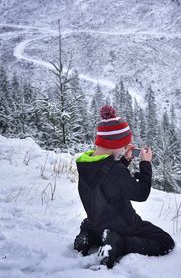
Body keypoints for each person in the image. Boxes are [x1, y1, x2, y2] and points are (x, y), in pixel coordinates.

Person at [74, 105, 175, 268]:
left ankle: (89, 235)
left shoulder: (87, 164)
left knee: (91, 223)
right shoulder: (116, 171)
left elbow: (104, 179)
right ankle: (119, 243)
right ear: (115, 144)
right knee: (165, 241)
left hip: (98, 222)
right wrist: (145, 163)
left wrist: (125, 161)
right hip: (124, 224)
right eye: (123, 144)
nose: (124, 148)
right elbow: (141, 194)